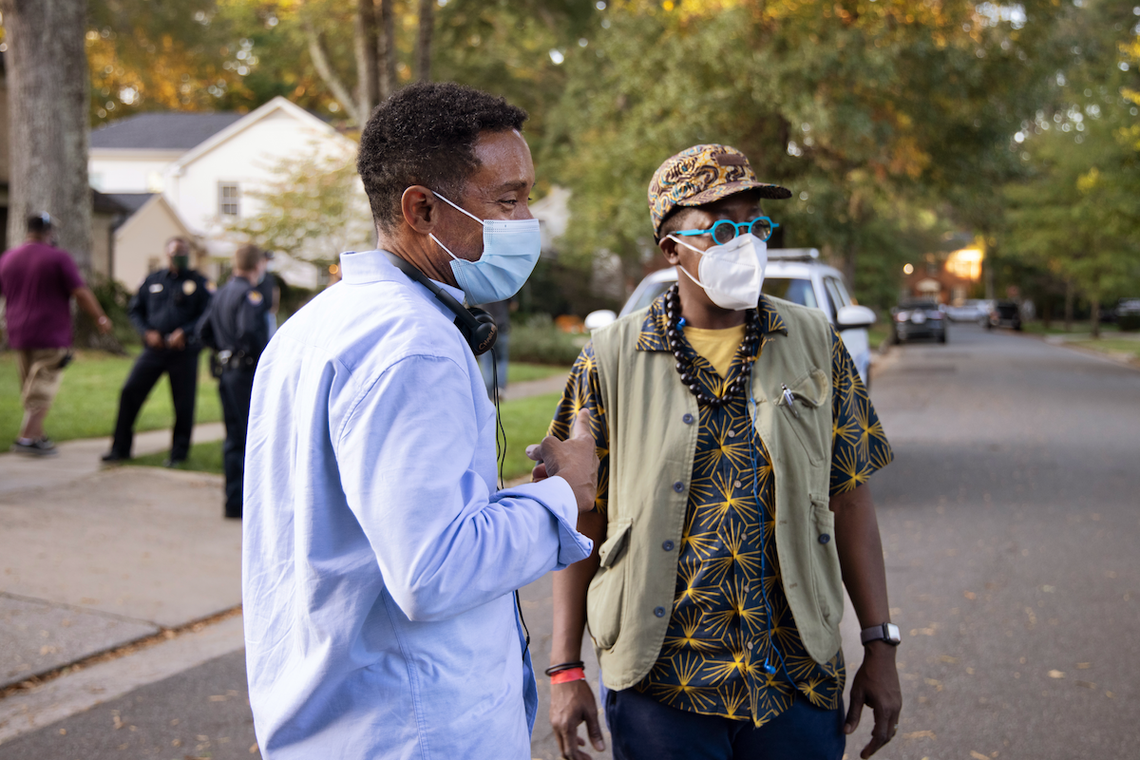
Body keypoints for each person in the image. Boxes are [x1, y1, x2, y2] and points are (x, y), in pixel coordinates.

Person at [241, 81, 599, 760]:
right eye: (509, 199)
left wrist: (507, 505)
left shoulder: (314, 326)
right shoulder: (413, 346)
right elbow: (433, 569)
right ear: (422, 209)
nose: (528, 219)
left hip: (331, 720)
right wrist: (564, 493)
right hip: (411, 734)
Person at [547, 144, 902, 760]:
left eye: (757, 226)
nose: (747, 243)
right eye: (722, 228)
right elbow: (583, 518)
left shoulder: (813, 340)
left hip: (793, 677)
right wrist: (565, 668)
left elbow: (850, 499)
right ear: (671, 248)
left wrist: (879, 644)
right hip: (662, 683)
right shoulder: (609, 360)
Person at [0, 212, 112, 455]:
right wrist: (100, 318)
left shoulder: (8, 258)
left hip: (18, 333)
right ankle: (27, 438)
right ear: (50, 232)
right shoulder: (58, 258)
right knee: (43, 385)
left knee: (30, 384)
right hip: (51, 333)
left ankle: (38, 435)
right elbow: (80, 293)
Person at [102, 237, 210, 465]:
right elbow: (135, 311)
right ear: (166, 254)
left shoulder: (199, 282)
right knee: (129, 392)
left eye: (183, 252)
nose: (178, 256)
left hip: (184, 351)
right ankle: (120, 448)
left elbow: (207, 313)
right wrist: (147, 332)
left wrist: (187, 331)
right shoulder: (152, 280)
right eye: (174, 253)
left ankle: (178, 454)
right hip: (154, 349)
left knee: (183, 404)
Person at [197, 244, 270, 519]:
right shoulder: (250, 295)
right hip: (245, 373)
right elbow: (250, 331)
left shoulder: (222, 292)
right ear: (257, 265)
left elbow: (202, 331)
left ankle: (233, 500)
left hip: (227, 373)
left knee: (233, 438)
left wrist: (222, 350)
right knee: (251, 436)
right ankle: (250, 502)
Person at [476, 298, 511, 396]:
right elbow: (513, 305)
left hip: (484, 328)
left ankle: (488, 392)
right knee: (502, 360)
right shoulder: (504, 287)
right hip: (501, 327)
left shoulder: (479, 287)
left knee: (486, 362)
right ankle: (500, 389)